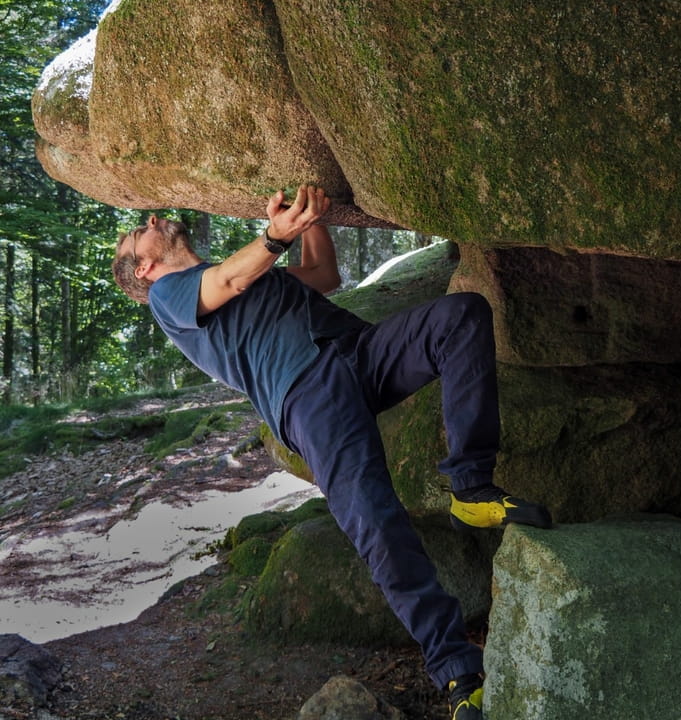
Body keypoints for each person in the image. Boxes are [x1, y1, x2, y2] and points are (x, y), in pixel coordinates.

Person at [112, 185, 552, 720]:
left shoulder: (251, 272)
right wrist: (275, 235)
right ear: (143, 269)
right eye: (138, 232)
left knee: (461, 315)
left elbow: (323, 275)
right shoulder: (169, 296)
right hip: (307, 394)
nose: (151, 219)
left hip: (358, 353)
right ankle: (458, 671)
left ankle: (471, 488)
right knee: (378, 523)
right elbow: (228, 279)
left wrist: (309, 216)